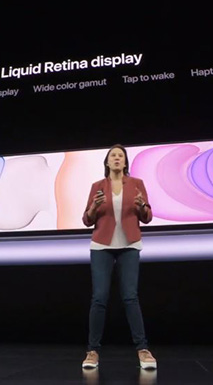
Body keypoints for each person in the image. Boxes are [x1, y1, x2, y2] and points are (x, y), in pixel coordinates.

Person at [80, 144, 157, 370]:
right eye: (113, 155)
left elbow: (147, 217)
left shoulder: (136, 184)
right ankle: (92, 351)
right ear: (107, 161)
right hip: (101, 246)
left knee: (130, 297)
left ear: (125, 162)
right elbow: (87, 220)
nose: (116, 158)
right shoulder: (97, 186)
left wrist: (142, 206)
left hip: (129, 245)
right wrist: (94, 207)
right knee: (99, 298)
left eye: (120, 156)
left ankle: (143, 349)